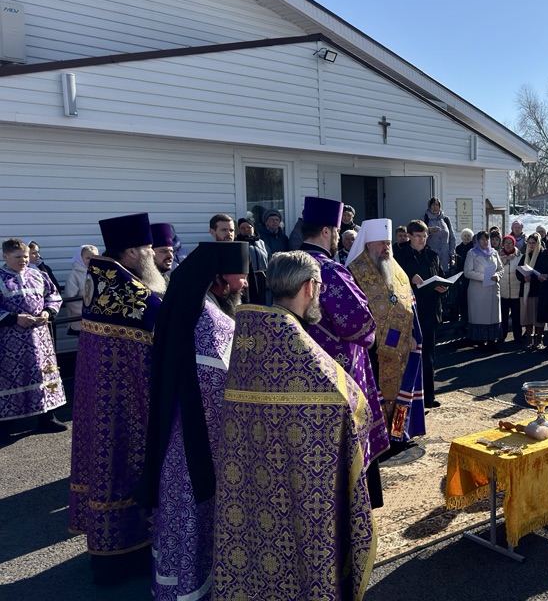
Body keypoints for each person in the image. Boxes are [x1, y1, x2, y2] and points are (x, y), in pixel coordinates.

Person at [212, 251, 377, 600]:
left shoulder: (250, 335)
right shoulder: (295, 343)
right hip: (299, 485)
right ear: (309, 287)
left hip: (250, 484)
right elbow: (353, 405)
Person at [135, 241, 248, 601]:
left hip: (179, 441)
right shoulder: (209, 320)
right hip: (199, 446)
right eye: (239, 276)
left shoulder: (195, 307)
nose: (244, 283)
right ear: (217, 279)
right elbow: (219, 382)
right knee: (193, 518)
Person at [69, 212, 166, 585]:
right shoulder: (125, 287)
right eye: (145, 247)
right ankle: (126, 557)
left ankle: (109, 554)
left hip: (102, 392)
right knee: (123, 462)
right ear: (129, 250)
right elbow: (165, 318)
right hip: (123, 398)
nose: (150, 253)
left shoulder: (103, 275)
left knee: (107, 461)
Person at [299, 198, 391, 507]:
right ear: (326, 231)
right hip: (340, 370)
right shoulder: (329, 270)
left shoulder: (286, 262)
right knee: (348, 436)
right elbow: (360, 325)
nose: (339, 237)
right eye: (338, 231)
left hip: (302, 365)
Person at [347, 218, 427, 445]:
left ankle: (399, 432)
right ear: (369, 244)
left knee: (401, 392)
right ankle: (379, 437)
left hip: (401, 346)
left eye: (389, 243)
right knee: (378, 395)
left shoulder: (396, 268)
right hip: (373, 348)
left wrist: (413, 334)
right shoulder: (356, 271)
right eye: (381, 243)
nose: (386, 248)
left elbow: (409, 303)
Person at [1, 238, 66, 432]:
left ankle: (47, 418)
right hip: (9, 341)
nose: (23, 260)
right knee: (11, 378)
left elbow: (53, 295)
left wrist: (48, 312)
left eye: (26, 256)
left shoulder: (38, 274)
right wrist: (14, 318)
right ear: (5, 256)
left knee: (43, 374)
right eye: (18, 257)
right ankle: (6, 424)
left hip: (40, 339)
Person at [396, 219, 448, 408]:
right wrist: (409, 278)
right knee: (408, 356)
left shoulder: (432, 256)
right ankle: (407, 397)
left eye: (424, 236)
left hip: (429, 310)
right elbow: (393, 281)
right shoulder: (399, 255)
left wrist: (444, 287)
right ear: (409, 236)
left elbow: (440, 274)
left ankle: (428, 397)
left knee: (428, 356)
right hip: (408, 312)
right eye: (417, 236)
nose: (421, 239)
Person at [462, 230, 503, 350]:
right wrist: (484, 277)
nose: (485, 242)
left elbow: (501, 268)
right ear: (477, 241)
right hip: (478, 290)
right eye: (482, 239)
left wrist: (498, 276)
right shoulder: (472, 253)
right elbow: (467, 272)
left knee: (493, 316)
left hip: (493, 288)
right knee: (481, 316)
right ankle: (480, 343)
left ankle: (492, 341)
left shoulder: (494, 252)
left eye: (487, 239)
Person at [63, 244, 98, 336]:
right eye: (88, 258)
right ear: (80, 258)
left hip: (97, 318)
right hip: (82, 319)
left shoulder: (99, 273)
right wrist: (85, 313)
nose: (91, 261)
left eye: (94, 258)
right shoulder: (74, 275)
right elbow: (71, 298)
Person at [517, 232, 542, 348]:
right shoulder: (524, 256)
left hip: (537, 290)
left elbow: (543, 273)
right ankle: (529, 340)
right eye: (530, 243)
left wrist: (533, 278)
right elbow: (518, 272)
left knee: (537, 317)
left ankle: (538, 340)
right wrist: (524, 278)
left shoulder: (542, 255)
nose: (531, 246)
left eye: (534, 243)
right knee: (527, 316)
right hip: (525, 290)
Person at [236, 217, 269, 304]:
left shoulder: (261, 242)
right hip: (248, 279)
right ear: (239, 230)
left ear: (253, 229)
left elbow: (269, 257)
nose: (246, 230)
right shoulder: (237, 243)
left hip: (263, 279)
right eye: (243, 228)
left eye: (249, 227)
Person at [497, 234, 522, 344]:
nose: (508, 245)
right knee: (503, 315)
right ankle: (502, 336)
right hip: (503, 291)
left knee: (517, 315)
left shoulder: (520, 256)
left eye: (510, 243)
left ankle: (518, 336)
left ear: (514, 244)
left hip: (516, 290)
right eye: (506, 243)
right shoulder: (498, 256)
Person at [423, 197, 455, 272]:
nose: (435, 207)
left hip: (445, 257)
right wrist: (429, 230)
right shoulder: (425, 219)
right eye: (433, 205)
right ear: (429, 206)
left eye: (437, 205)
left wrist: (452, 253)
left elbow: (452, 238)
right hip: (431, 257)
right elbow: (418, 234)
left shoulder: (445, 219)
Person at [452, 228, 474, 324]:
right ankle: (463, 317)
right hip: (460, 274)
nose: (467, 237)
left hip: (470, 274)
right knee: (461, 297)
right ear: (462, 237)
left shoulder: (473, 248)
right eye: (465, 235)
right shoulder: (458, 248)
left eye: (469, 236)